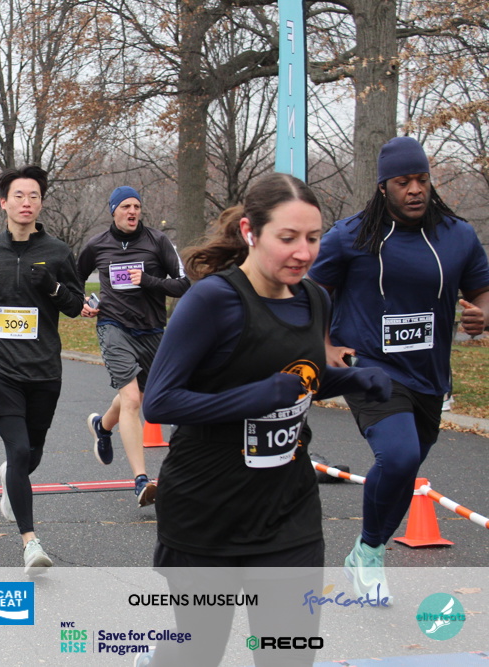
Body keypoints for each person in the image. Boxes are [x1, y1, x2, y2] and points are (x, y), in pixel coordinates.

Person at [140, 173, 391, 666]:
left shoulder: (314, 298)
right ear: (251, 232)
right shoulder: (212, 301)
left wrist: (353, 380)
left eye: (313, 238)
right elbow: (160, 401)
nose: (303, 252)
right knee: (199, 654)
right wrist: (250, 398)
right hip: (207, 510)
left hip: (287, 510)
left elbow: (298, 379)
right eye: (288, 237)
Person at [308, 136, 489, 604]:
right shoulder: (351, 236)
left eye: (422, 179)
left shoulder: (457, 235)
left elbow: (482, 292)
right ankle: (370, 554)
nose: (415, 189)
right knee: (400, 456)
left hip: (429, 373)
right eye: (403, 181)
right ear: (383, 186)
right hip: (370, 368)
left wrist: (482, 316)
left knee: (406, 467)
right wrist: (324, 345)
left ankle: (364, 550)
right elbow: (312, 292)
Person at [0, 166, 84, 575]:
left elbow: (74, 305)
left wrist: (53, 287)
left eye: (33, 196)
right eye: (19, 195)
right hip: (0, 366)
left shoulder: (59, 252)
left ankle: (11, 477)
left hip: (44, 368)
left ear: (41, 203)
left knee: (31, 453)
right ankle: (30, 542)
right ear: (4, 203)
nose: (26, 202)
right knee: (17, 451)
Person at [77, 186, 190, 507]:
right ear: (113, 210)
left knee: (141, 395)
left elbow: (183, 284)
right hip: (113, 326)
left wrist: (148, 280)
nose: (132, 211)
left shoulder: (158, 241)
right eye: (126, 206)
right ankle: (141, 479)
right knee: (131, 399)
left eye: (137, 206)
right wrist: (83, 301)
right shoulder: (97, 244)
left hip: (152, 330)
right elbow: (73, 278)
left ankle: (102, 426)